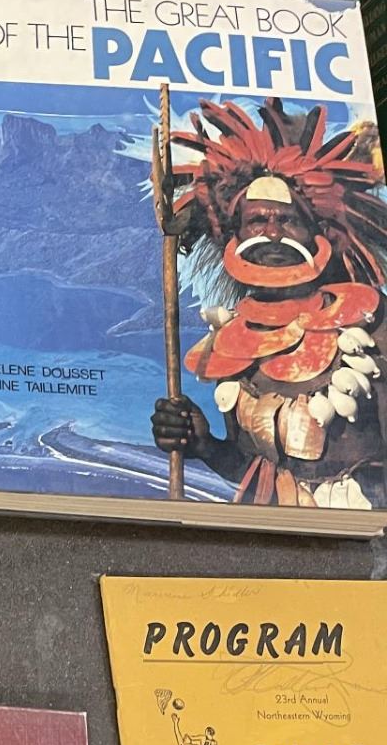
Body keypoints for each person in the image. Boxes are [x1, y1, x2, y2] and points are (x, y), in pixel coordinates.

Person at [151, 99, 387, 509]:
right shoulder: (234, 343)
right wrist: (203, 444)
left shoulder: (370, 325)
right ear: (236, 235)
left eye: (288, 220)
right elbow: (255, 471)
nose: (272, 234)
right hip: (270, 535)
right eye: (257, 221)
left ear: (318, 232)